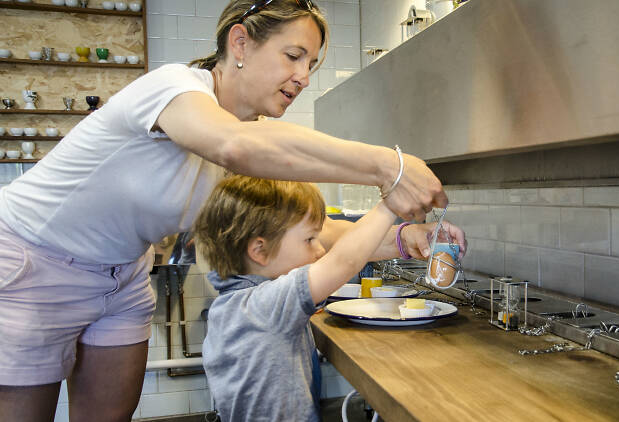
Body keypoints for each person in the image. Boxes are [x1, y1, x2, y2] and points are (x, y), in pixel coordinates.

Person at [0, 1, 465, 421]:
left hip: (123, 275)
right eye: (294, 56)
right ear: (240, 41)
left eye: (312, 64)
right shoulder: (176, 88)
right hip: (31, 260)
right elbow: (233, 145)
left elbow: (313, 232)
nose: (304, 76)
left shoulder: (254, 140)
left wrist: (406, 238)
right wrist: (391, 166)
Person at [193, 176, 399, 421]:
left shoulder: (235, 305)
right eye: (309, 239)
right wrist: (391, 203)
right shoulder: (262, 307)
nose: (320, 249)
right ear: (259, 251)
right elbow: (344, 261)